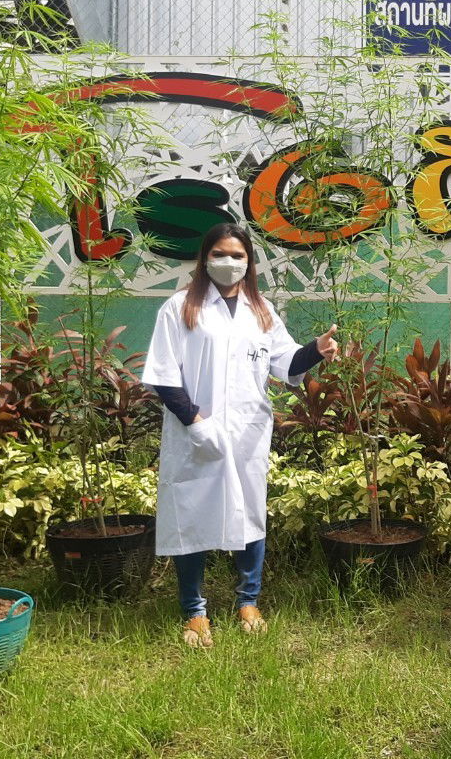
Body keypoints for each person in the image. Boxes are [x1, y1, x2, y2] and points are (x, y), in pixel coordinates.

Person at [142, 222, 338, 647]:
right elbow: (162, 374)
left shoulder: (261, 310)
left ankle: (248, 602)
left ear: (249, 262)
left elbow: (285, 362)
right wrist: (194, 421)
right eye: (219, 254)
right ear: (204, 257)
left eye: (237, 256)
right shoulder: (179, 308)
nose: (228, 262)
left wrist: (316, 350)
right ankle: (194, 612)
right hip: (195, 432)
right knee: (191, 517)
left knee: (249, 515)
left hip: (247, 432)